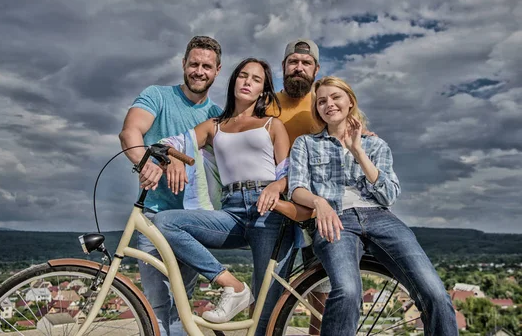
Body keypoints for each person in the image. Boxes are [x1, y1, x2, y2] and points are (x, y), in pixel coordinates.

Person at [288, 76, 458, 335]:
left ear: (350, 102)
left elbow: (389, 195)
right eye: (321, 101)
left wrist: (358, 151)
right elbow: (296, 187)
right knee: (347, 291)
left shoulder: (375, 144)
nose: (329, 104)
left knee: (435, 292)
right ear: (317, 109)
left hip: (378, 217)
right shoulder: (306, 144)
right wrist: (318, 202)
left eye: (335, 97)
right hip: (335, 220)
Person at [153, 58, 294, 334]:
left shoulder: (272, 125)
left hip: (269, 211)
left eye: (256, 79)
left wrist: (276, 187)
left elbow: (289, 174)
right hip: (231, 212)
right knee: (165, 222)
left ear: (263, 91)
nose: (247, 82)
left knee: (267, 312)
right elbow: (173, 143)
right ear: (233, 81)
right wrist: (174, 158)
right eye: (243, 76)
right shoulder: (214, 125)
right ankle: (232, 285)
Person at [119, 36, 223, 336]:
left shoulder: (216, 116)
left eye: (207, 66)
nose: (199, 71)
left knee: (181, 305)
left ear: (217, 71)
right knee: (157, 306)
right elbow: (130, 133)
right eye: (194, 64)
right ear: (183, 65)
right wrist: (149, 163)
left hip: (195, 220)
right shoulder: (158, 96)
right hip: (154, 216)